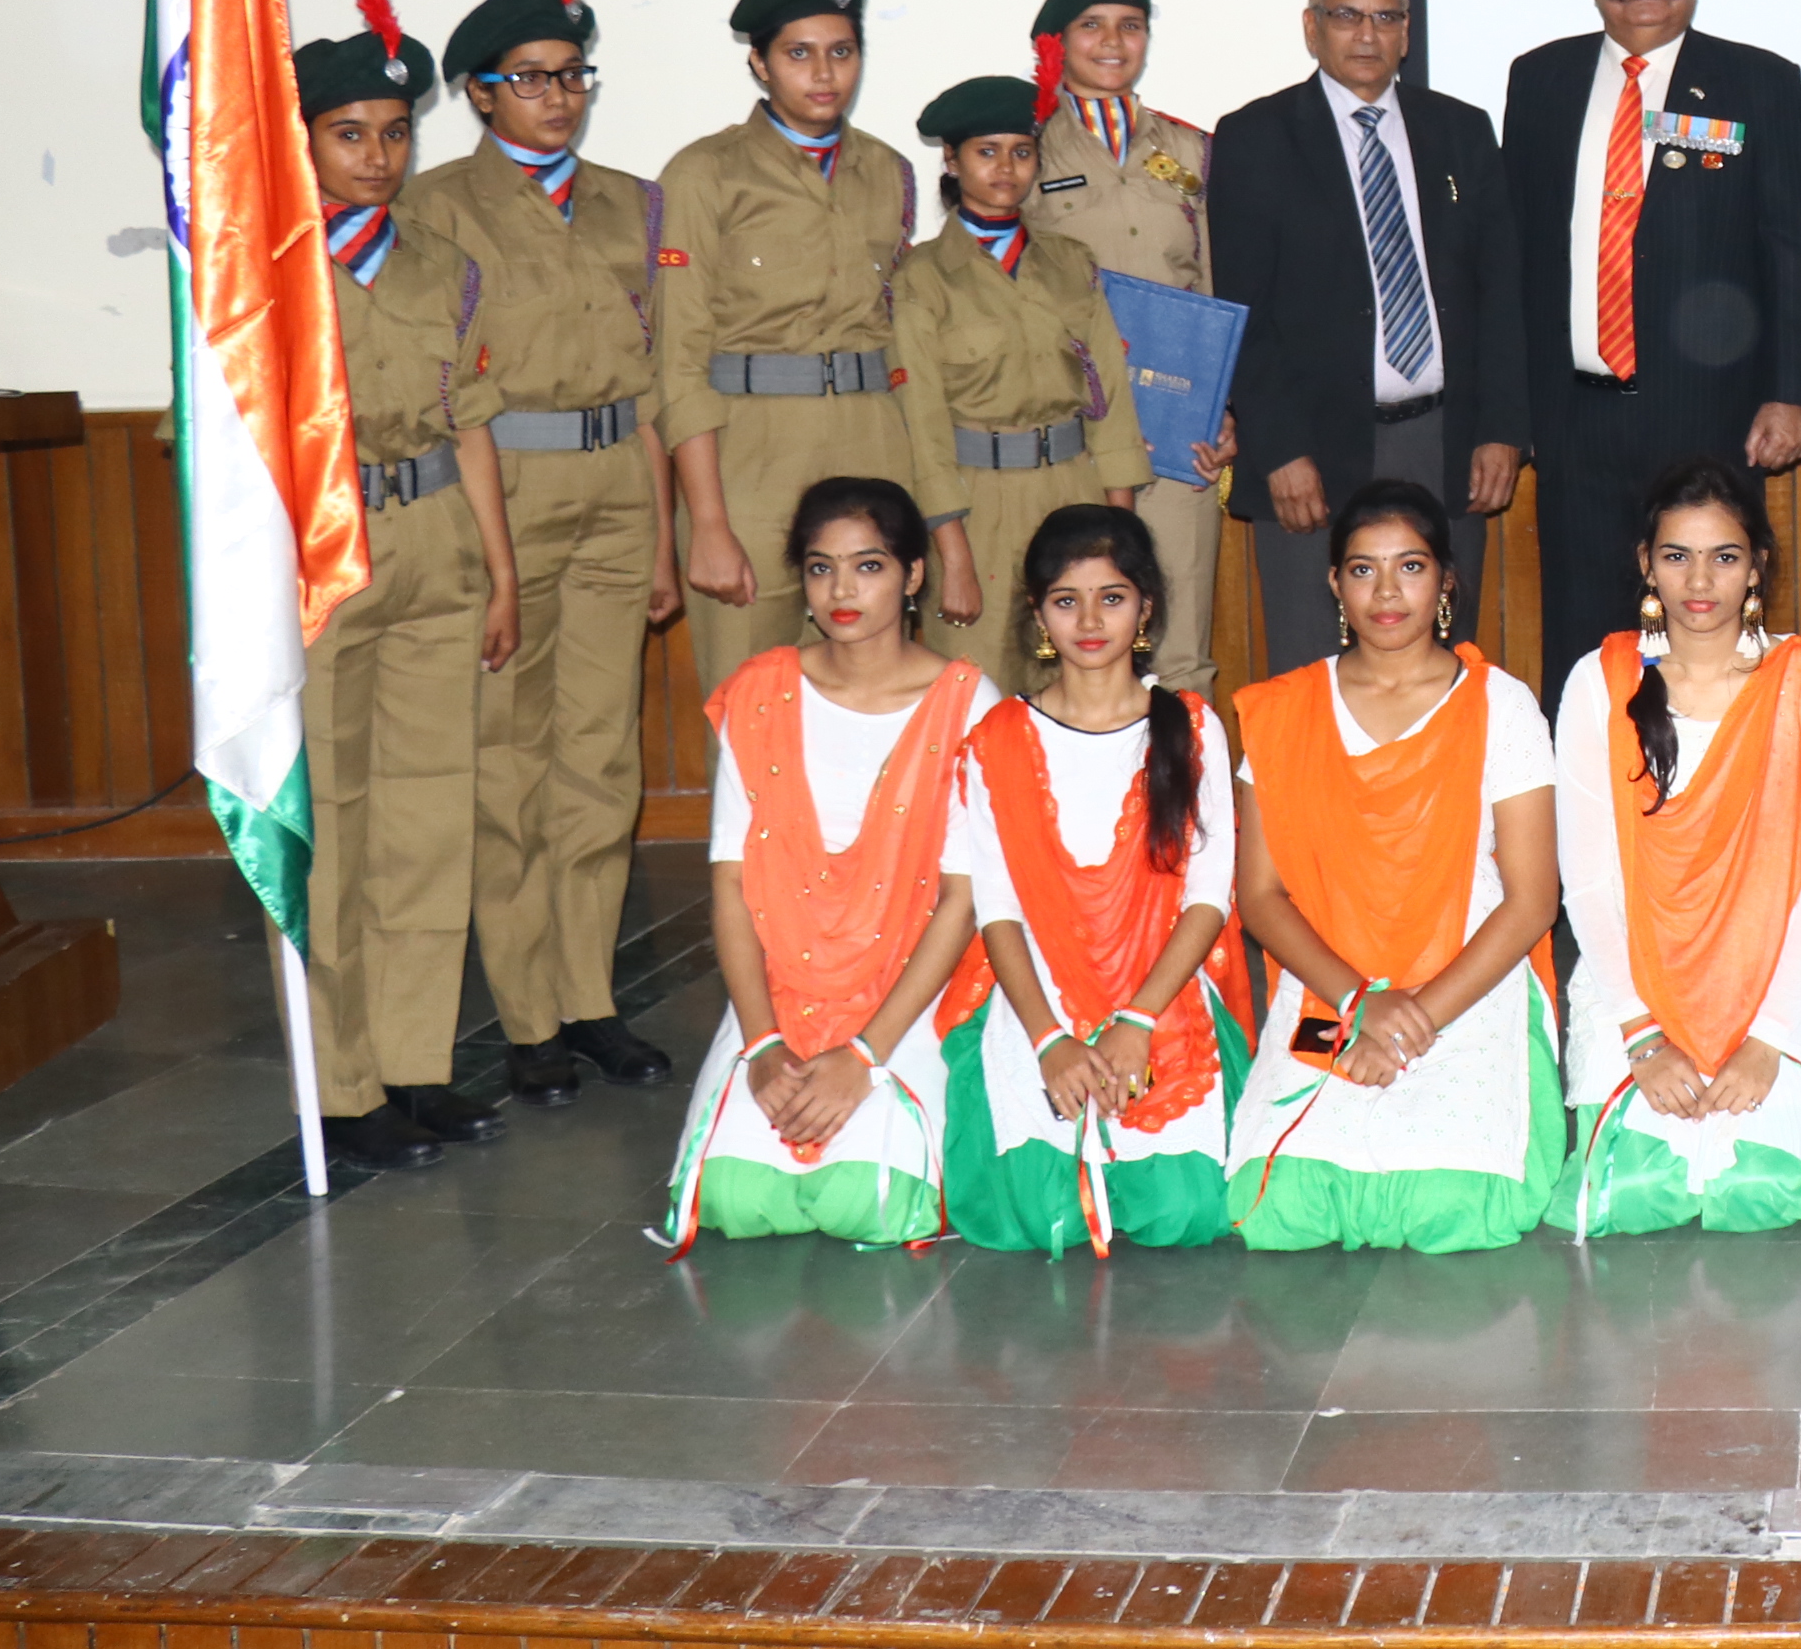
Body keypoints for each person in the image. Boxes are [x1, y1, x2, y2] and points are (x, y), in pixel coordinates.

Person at [398, 0, 677, 1111]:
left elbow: (657, 377)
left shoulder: (631, 203)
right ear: (477, 94)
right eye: (531, 81)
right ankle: (525, 1016)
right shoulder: (440, 207)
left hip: (618, 488)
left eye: (573, 77)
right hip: (500, 497)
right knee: (505, 760)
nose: (558, 99)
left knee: (600, 759)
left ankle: (588, 995)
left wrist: (664, 533)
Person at [295, 0, 522, 1172]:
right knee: (337, 822)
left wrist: (499, 568)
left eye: (392, 133)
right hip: (323, 556)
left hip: (434, 535)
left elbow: (470, 420)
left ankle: (412, 1064)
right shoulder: (259, 280)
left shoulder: (438, 263)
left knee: (432, 815)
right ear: (302, 141)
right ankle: (339, 1085)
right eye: (349, 135)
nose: (376, 156)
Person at [1504, 0, 1801, 698]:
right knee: (1582, 645)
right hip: (1572, 418)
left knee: (1713, 640)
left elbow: (1794, 247)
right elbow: (1516, 256)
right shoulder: (1538, 82)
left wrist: (1792, 394)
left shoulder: (1759, 82)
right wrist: (1513, 413)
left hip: (1711, 419)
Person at [1223, 481, 1563, 1250]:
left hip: (1467, 983)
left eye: (1409, 567)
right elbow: (1263, 897)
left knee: (1460, 1206)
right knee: (1278, 1208)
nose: (1386, 592)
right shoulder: (1285, 713)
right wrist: (1359, 1004)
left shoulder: (1499, 706)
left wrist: (1415, 1019)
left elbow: (1533, 901)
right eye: (1362, 569)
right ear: (1334, 583)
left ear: (1445, 579)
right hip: (1328, 990)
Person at [661, 477, 991, 1249]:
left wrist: (866, 1054)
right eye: (820, 568)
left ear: (913, 575)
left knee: (871, 1203)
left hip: (912, 993)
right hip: (779, 992)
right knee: (736, 1204)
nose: (842, 590)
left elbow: (960, 903)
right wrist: (764, 1045)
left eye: (868, 566)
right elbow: (732, 885)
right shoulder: (761, 692)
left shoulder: (967, 702)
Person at [1549, 458, 1801, 1235]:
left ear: (1757, 565)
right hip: (1635, 984)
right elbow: (1586, 879)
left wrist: (1768, 1037)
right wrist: (1641, 1033)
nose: (1701, 580)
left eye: (1725, 556)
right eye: (1677, 555)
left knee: (1759, 1191)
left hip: (1774, 983)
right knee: (1634, 1192)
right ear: (1646, 563)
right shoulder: (1600, 679)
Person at [938, 504, 1249, 1255]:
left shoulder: (1190, 725)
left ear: (1145, 605)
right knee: (1034, 1218)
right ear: (1039, 613)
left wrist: (1137, 1021)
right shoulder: (998, 740)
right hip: (1036, 994)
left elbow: (1209, 895)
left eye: (1111, 597)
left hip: (1162, 992)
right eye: (1065, 600)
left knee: (1187, 1214)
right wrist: (1050, 1040)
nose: (1089, 620)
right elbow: (999, 908)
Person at [1211, 0, 1528, 670]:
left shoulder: (1461, 131)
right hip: (1311, 456)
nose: (1366, 34)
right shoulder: (1255, 139)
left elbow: (1499, 296)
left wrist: (1502, 430)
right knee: (1312, 672)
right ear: (1311, 25)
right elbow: (1244, 312)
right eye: (1347, 15)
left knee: (1439, 666)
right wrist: (1279, 449)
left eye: (1386, 17)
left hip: (1441, 445)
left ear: (1407, 32)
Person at [658, 0, 921, 696]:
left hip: (873, 441)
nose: (823, 73)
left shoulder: (888, 171)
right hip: (752, 460)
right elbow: (677, 360)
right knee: (751, 696)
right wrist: (707, 523)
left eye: (841, 53)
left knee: (877, 692)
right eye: (799, 54)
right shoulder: (704, 175)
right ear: (760, 63)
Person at [1030, 0, 1237, 697]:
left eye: (1131, 25)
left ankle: (1186, 814)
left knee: (1179, 648)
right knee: (1066, 643)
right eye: (1092, 26)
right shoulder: (1025, 151)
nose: (1113, 42)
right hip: (1069, 434)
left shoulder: (1192, 150)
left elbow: (1220, 288)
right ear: (1056, 41)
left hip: (1179, 440)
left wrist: (1227, 409)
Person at [894, 61, 1151, 688]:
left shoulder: (1069, 263)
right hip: (975, 502)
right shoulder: (922, 279)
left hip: (1073, 487)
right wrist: (951, 556)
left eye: (1021, 152)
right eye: (986, 153)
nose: (1005, 168)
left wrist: (1121, 538)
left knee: (1085, 685)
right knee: (979, 691)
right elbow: (922, 426)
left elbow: (1110, 402)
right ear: (951, 162)